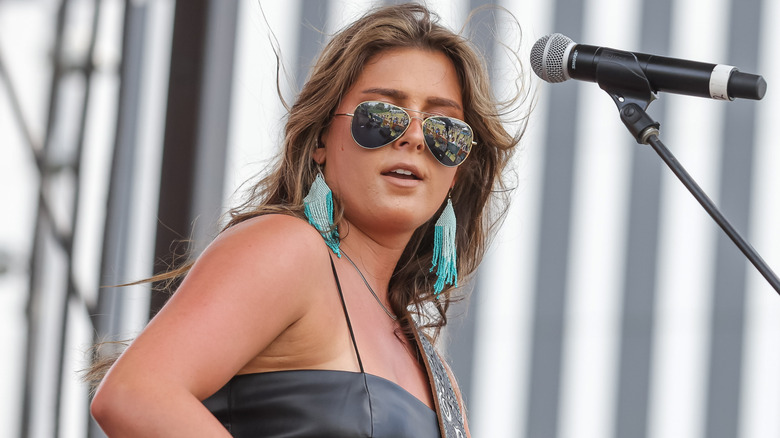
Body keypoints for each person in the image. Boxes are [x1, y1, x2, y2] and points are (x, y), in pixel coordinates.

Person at [87, 3, 526, 437]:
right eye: (381, 116)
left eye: (444, 130)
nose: (413, 137)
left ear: (458, 169)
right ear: (320, 138)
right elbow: (136, 394)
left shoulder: (437, 374)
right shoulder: (291, 249)